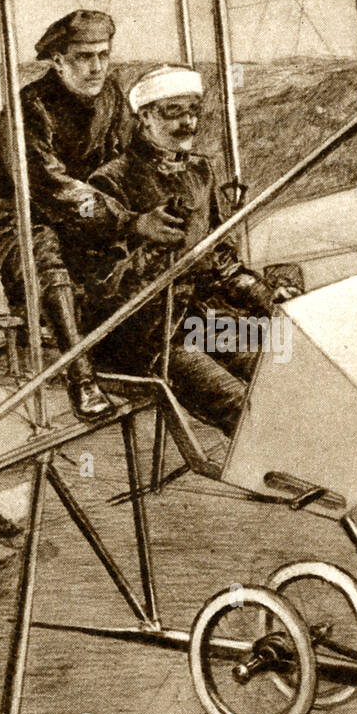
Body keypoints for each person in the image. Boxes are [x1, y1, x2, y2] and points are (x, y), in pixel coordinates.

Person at [0, 10, 185, 417]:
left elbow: (131, 153)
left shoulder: (110, 95)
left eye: (103, 55)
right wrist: (130, 221)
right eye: (83, 57)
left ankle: (149, 351)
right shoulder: (29, 108)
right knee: (45, 247)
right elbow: (52, 187)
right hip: (5, 220)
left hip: (75, 213)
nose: (95, 66)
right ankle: (82, 379)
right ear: (57, 61)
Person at [86, 65, 295, 436]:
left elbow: (222, 261)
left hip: (201, 320)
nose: (188, 122)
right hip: (145, 336)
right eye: (174, 112)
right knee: (241, 405)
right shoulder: (109, 180)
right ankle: (275, 474)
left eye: (193, 111)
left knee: (283, 367)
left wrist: (267, 295)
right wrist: (153, 250)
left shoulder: (201, 171)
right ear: (145, 117)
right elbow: (103, 285)